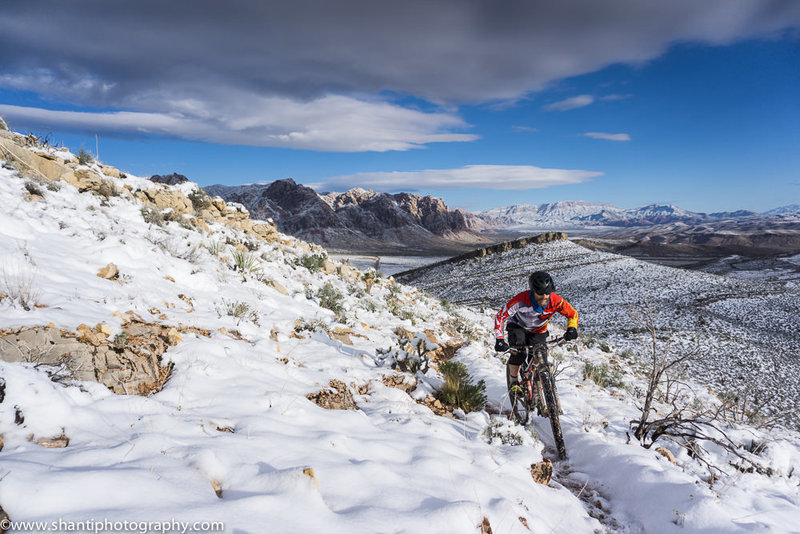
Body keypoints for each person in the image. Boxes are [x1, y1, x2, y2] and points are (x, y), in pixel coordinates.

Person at [494, 271, 579, 395]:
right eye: (540, 293)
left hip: (538, 330)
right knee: (519, 352)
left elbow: (572, 314)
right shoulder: (520, 300)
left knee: (541, 358)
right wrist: (499, 339)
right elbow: (500, 317)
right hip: (518, 326)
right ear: (533, 291)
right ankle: (513, 381)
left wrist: (572, 328)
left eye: (547, 293)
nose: (544, 296)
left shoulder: (556, 301)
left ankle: (541, 394)